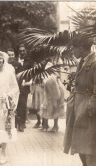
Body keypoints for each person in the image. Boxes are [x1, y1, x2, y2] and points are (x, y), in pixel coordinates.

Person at [64, 38, 96, 166]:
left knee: (89, 147)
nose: (72, 51)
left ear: (82, 49)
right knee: (80, 144)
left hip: (88, 110)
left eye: (74, 48)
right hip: (78, 107)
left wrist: (91, 107)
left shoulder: (94, 62)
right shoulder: (83, 61)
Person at [39, 61, 65, 131]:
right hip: (49, 92)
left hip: (57, 91)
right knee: (45, 106)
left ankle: (56, 126)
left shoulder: (54, 77)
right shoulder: (44, 76)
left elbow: (57, 92)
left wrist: (56, 98)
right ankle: (45, 124)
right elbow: (44, 85)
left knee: (55, 107)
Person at [16, 44, 32, 132]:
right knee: (16, 105)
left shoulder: (29, 62)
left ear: (26, 51)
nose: (22, 52)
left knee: (22, 105)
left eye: (23, 51)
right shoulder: (15, 62)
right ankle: (17, 122)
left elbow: (32, 73)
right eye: (20, 51)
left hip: (24, 86)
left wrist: (26, 82)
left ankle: (22, 123)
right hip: (15, 86)